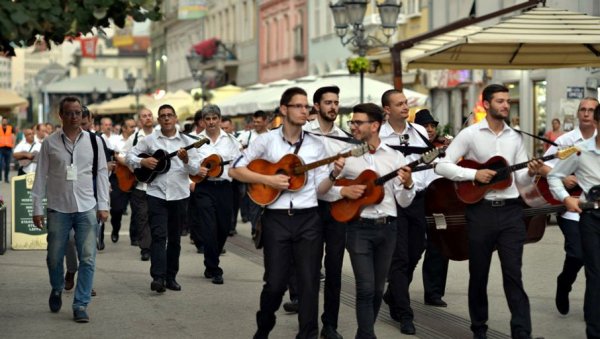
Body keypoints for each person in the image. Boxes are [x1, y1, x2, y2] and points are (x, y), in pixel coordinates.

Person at [435, 84, 543, 339]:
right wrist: (474, 174)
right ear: (486, 104)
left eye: (507, 101)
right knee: (479, 274)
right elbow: (442, 165)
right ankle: (479, 329)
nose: (506, 105)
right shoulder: (470, 135)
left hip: (511, 213)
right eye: (500, 101)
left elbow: (522, 182)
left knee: (513, 275)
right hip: (480, 212)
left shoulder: (515, 137)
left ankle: (522, 332)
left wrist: (531, 172)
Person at [229, 87, 334, 339]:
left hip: (309, 219)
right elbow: (235, 170)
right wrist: (269, 179)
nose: (304, 110)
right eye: (298, 106)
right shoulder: (266, 140)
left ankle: (307, 334)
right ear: (284, 109)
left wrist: (333, 175)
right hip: (276, 219)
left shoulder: (317, 145)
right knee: (275, 284)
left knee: (309, 283)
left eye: (307, 106)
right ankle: (264, 326)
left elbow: (320, 189)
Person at [335, 102, 415, 339]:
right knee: (365, 288)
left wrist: (408, 184)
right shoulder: (347, 156)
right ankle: (367, 335)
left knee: (378, 289)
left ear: (375, 125)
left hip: (388, 228)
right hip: (358, 227)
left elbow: (404, 200)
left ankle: (364, 334)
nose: (353, 127)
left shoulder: (395, 156)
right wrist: (344, 191)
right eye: (352, 122)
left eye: (358, 122)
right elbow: (328, 188)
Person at [32, 96, 110, 323]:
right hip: (58, 207)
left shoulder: (94, 142)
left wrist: (103, 205)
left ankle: (81, 304)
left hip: (87, 206)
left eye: (78, 113)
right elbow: (40, 177)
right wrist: (38, 207)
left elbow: (102, 174)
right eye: (70, 113)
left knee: (88, 258)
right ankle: (57, 287)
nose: (75, 117)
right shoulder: (50, 143)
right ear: (61, 115)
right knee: (54, 258)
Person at [126, 104, 200, 293]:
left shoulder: (187, 141)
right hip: (156, 193)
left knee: (174, 238)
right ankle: (157, 277)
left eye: (170, 115)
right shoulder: (150, 140)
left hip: (179, 195)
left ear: (176, 119)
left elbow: (196, 170)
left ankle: (171, 277)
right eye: (163, 116)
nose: (166, 118)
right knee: (158, 236)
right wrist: (143, 161)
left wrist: (185, 160)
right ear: (159, 120)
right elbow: (129, 156)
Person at [538, 97, 598, 316]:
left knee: (594, 263)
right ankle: (564, 284)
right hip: (572, 210)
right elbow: (545, 168)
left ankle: (592, 311)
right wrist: (564, 180)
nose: (586, 113)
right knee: (577, 254)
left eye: (591, 110)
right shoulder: (567, 140)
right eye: (583, 109)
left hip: (595, 211)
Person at [379, 89, 430, 335]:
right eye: (399, 104)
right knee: (399, 257)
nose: (404, 107)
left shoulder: (418, 132)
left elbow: (430, 162)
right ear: (387, 109)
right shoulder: (378, 134)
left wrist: (422, 183)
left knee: (415, 252)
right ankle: (405, 314)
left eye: (405, 103)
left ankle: (392, 294)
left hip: (417, 198)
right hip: (392, 201)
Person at [302, 85, 351, 339]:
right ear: (317, 106)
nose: (333, 106)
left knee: (334, 268)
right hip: (308, 208)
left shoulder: (343, 137)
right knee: (309, 269)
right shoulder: (303, 134)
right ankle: (307, 324)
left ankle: (329, 325)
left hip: (334, 208)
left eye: (336, 102)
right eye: (328, 102)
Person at [189, 104, 241, 284]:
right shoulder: (195, 141)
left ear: (219, 119)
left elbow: (238, 164)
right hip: (204, 188)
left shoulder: (232, 141)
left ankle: (212, 257)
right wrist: (195, 174)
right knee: (209, 228)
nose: (211, 122)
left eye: (214, 118)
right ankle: (213, 267)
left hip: (225, 188)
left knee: (223, 228)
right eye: (207, 119)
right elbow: (187, 164)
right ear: (203, 121)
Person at [413, 109, 451, 308]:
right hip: (417, 201)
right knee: (413, 248)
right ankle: (394, 289)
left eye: (432, 126)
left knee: (440, 246)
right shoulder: (410, 146)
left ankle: (434, 292)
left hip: (439, 203)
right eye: (425, 126)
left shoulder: (442, 148)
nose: (430, 129)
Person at [124, 108, 156, 261]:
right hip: (140, 185)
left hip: (158, 186)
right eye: (144, 116)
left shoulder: (160, 136)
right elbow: (125, 156)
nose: (148, 118)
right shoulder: (134, 138)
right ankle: (145, 248)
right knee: (142, 217)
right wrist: (134, 168)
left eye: (150, 115)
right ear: (139, 121)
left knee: (156, 217)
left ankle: (156, 245)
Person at [110, 118, 137, 243]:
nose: (133, 129)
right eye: (131, 127)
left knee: (137, 209)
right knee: (117, 209)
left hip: (135, 178)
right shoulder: (114, 141)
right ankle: (115, 229)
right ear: (124, 128)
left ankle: (135, 236)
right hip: (119, 178)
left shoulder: (138, 139)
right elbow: (115, 157)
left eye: (134, 127)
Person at [0, 117, 15, 183]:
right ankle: (0, 178)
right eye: (3, 121)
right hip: (0, 148)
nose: (4, 122)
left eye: (6, 121)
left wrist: (13, 145)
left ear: (7, 121)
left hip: (8, 148)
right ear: (2, 121)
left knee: (7, 164)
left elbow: (13, 137)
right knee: (0, 163)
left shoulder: (10, 128)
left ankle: (6, 178)